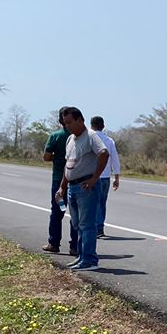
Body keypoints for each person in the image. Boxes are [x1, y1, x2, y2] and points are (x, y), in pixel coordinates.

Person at [58, 106, 110, 272]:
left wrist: (94, 178)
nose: (67, 126)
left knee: (87, 225)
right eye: (65, 123)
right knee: (77, 224)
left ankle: (89, 260)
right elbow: (68, 165)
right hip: (72, 187)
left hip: (85, 188)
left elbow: (104, 153)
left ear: (80, 120)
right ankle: (81, 257)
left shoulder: (91, 137)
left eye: (70, 122)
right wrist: (62, 187)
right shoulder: (70, 139)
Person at [41, 108, 76, 255]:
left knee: (58, 211)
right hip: (75, 181)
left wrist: (56, 157)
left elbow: (47, 157)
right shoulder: (77, 136)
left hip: (58, 182)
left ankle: (54, 243)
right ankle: (75, 246)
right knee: (75, 214)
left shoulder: (55, 136)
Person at [89, 116, 121, 239]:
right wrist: (116, 177)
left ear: (91, 126)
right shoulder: (109, 140)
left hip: (93, 176)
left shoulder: (90, 138)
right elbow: (115, 160)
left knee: (94, 203)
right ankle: (100, 227)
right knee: (102, 203)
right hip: (106, 176)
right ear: (103, 126)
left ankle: (97, 228)